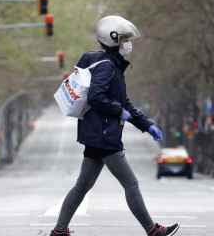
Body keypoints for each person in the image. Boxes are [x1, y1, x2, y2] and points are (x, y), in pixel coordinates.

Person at [50, 16, 179, 236]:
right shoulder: (108, 67)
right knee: (131, 184)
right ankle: (152, 230)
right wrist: (118, 111)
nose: (129, 43)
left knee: (82, 185)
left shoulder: (107, 64)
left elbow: (123, 101)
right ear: (113, 40)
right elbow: (96, 97)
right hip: (104, 135)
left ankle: (59, 231)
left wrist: (146, 124)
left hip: (95, 134)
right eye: (126, 39)